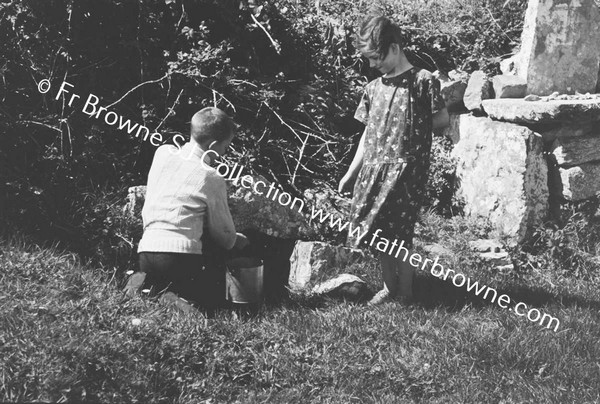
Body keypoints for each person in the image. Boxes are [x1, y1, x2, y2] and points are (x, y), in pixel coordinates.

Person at [338, 15, 449, 305]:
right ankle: (389, 287)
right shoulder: (372, 89)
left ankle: (407, 293)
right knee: (376, 231)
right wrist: (351, 172)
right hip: (374, 170)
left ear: (395, 47)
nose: (374, 65)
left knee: (400, 233)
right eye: (370, 59)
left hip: (405, 170)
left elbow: (442, 118)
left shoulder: (422, 81)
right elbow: (366, 134)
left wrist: (412, 131)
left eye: (378, 57)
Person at [135, 107, 249, 308]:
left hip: (145, 253)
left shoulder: (162, 153)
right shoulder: (211, 176)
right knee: (224, 249)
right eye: (225, 146)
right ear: (213, 145)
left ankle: (153, 288)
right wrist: (237, 238)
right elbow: (226, 238)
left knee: (163, 282)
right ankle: (182, 301)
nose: (223, 153)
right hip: (179, 258)